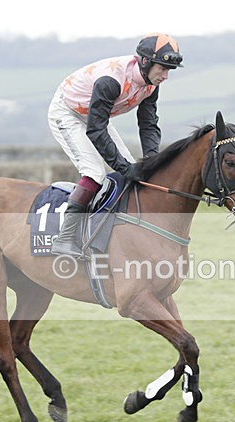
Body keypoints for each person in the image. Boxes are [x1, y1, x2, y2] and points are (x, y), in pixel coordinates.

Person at [47, 32, 184, 256]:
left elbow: (148, 125)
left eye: (169, 70)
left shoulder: (151, 83)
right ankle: (65, 237)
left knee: (134, 170)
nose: (166, 76)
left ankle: (120, 231)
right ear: (145, 62)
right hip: (68, 113)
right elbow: (95, 129)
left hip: (95, 116)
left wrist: (151, 161)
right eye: (162, 68)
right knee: (95, 173)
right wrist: (124, 168)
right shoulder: (111, 80)